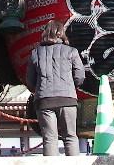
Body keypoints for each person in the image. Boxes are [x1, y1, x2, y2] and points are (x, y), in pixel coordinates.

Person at [26, 19, 86, 156]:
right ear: (61, 33)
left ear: (45, 33)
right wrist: (70, 86)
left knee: (49, 138)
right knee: (70, 136)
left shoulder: (35, 53)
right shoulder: (71, 51)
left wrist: (40, 89)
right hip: (67, 99)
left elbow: (30, 81)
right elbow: (80, 76)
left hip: (44, 100)